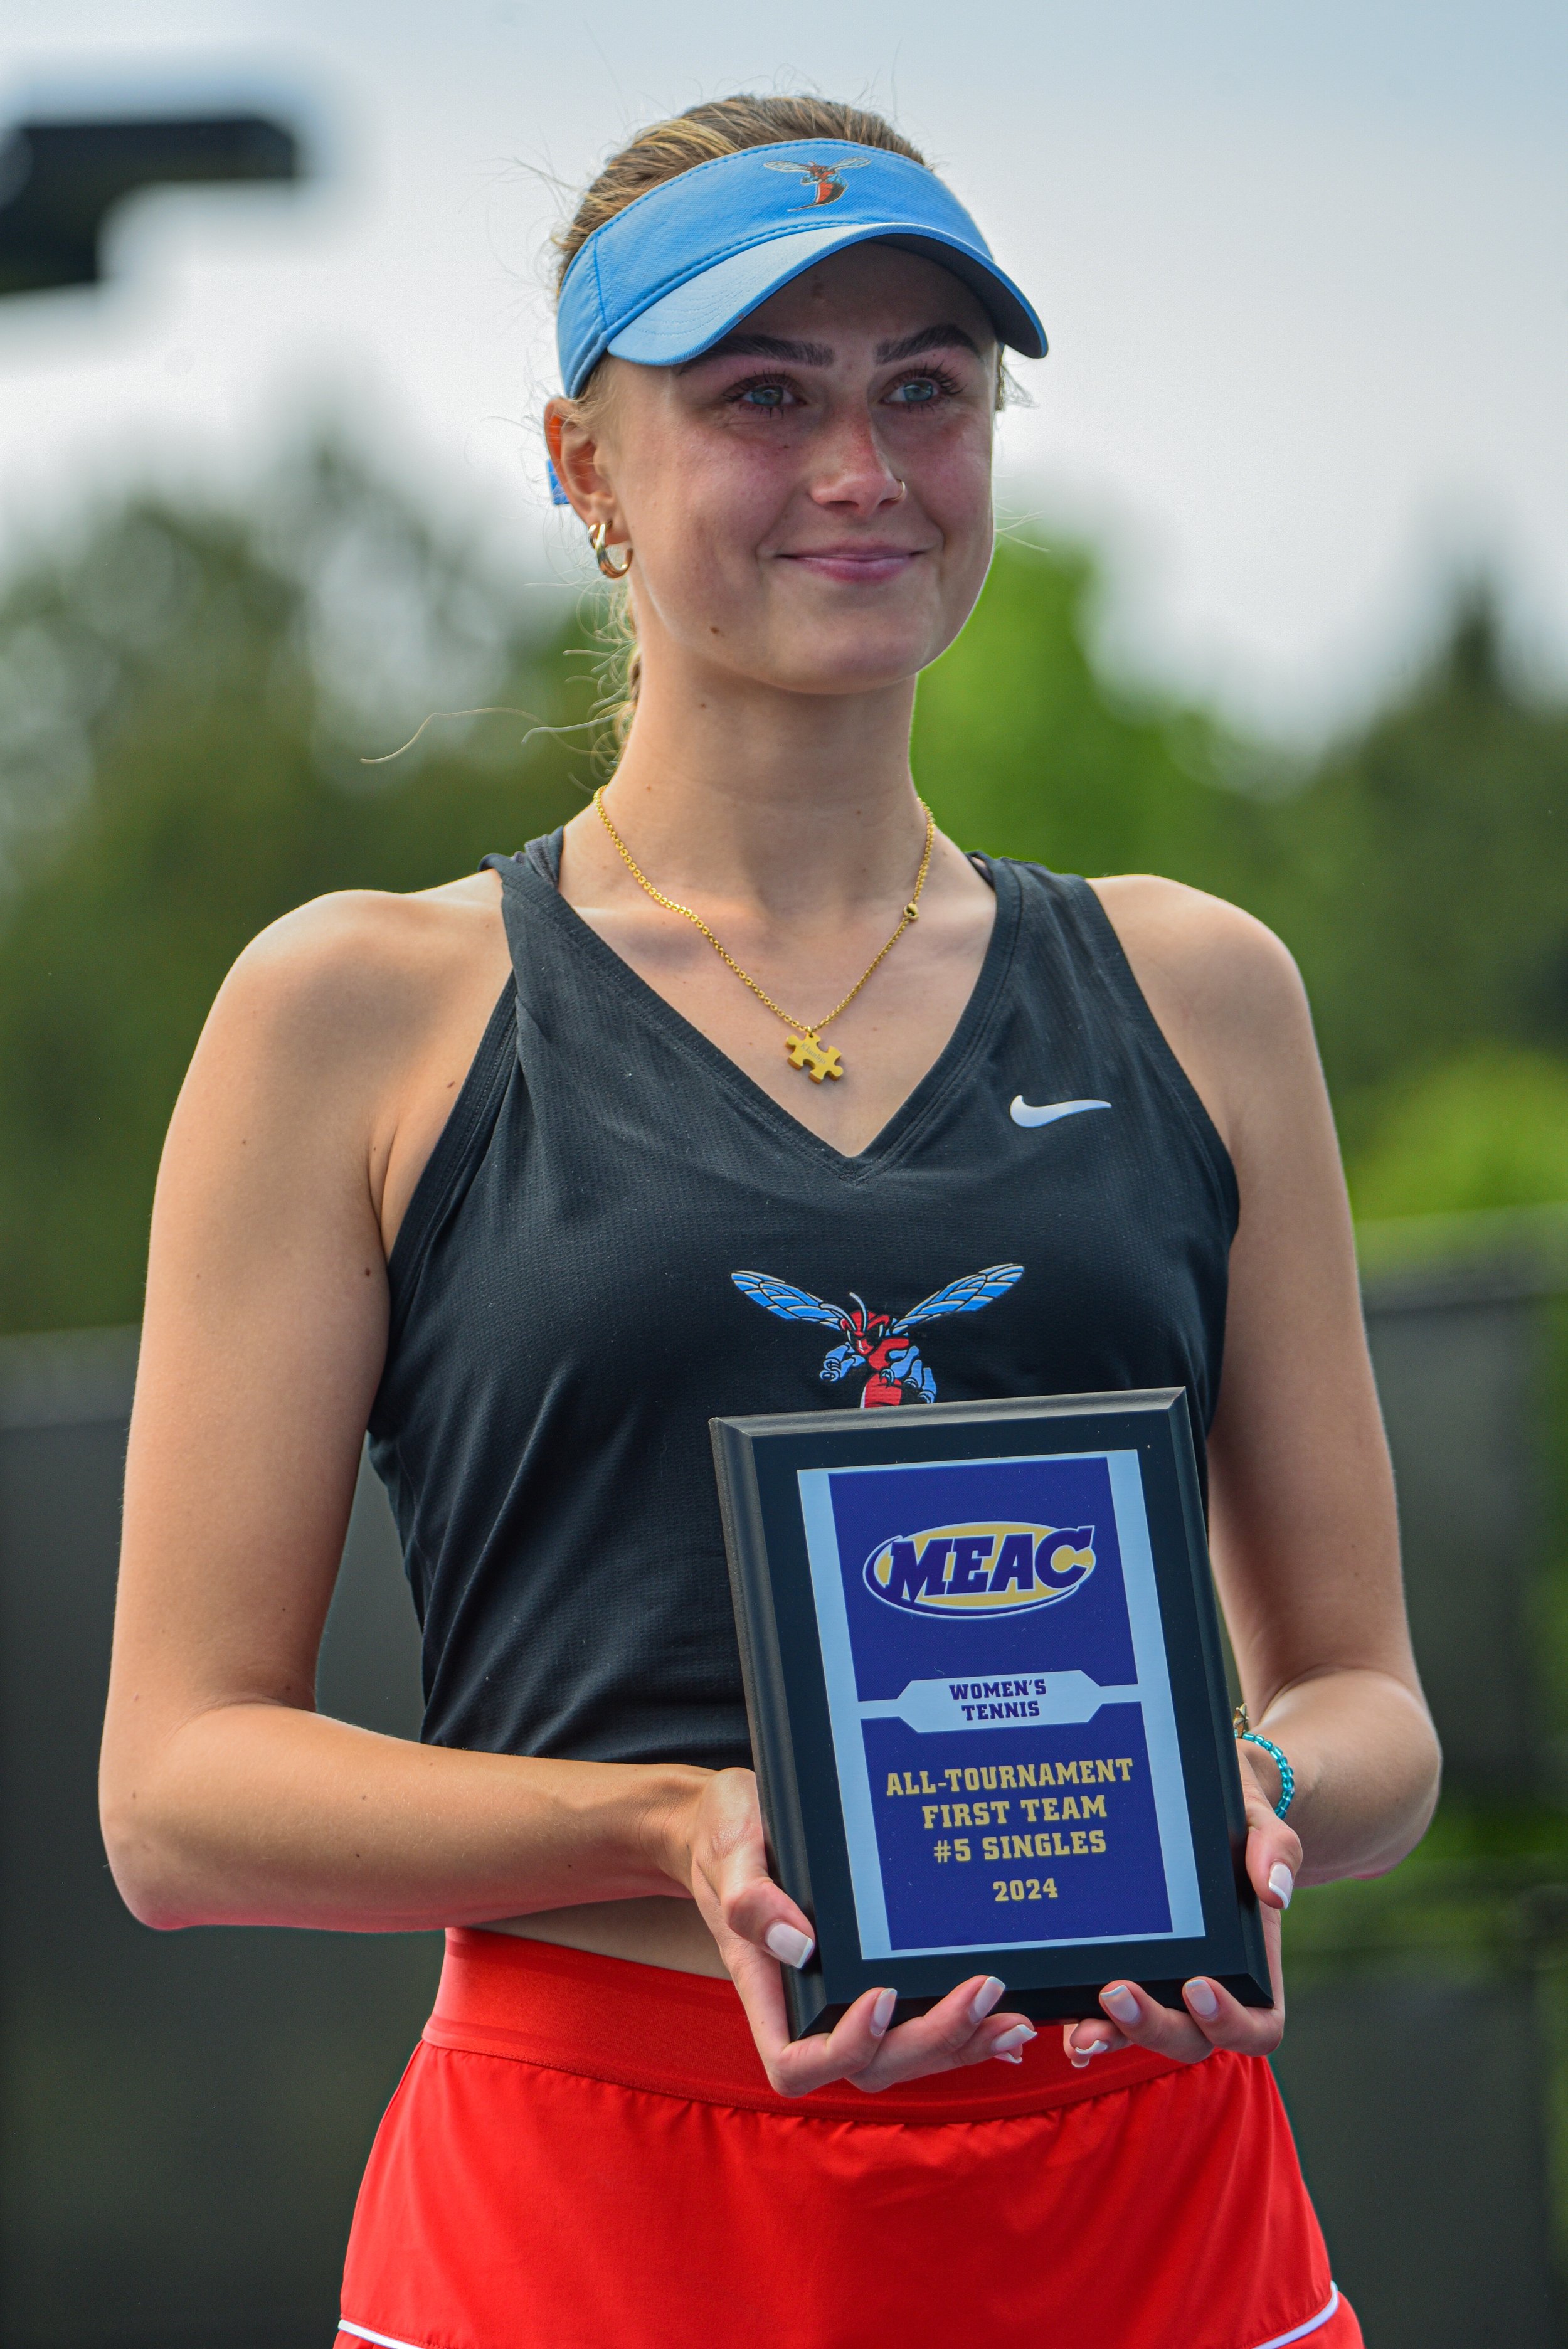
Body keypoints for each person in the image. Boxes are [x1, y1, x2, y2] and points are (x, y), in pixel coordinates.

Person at [100, 93, 1439, 2349]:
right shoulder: (357, 1011)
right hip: (591, 2215)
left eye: (926, 387)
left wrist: (1254, 1788)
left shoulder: (1198, 989)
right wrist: (670, 1825)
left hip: (1149, 2212)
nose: (861, 466)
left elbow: (1370, 1702)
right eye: (760, 397)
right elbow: (177, 1794)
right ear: (584, 469)